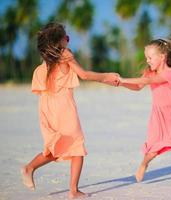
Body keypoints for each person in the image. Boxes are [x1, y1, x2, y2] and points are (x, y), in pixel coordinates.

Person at [20, 22, 119, 199]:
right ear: (59, 41)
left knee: (57, 145)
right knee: (77, 147)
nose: (68, 40)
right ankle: (73, 191)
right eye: (66, 38)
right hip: (63, 107)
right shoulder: (65, 54)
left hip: (46, 108)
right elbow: (85, 75)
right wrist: (108, 76)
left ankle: (30, 167)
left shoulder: (46, 62)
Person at [118, 38, 171, 190]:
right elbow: (139, 86)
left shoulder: (170, 73)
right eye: (146, 58)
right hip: (160, 117)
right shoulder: (148, 72)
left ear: (162, 57)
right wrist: (122, 83)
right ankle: (144, 164)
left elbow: (150, 81)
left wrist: (123, 78)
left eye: (150, 57)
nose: (147, 61)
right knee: (153, 149)